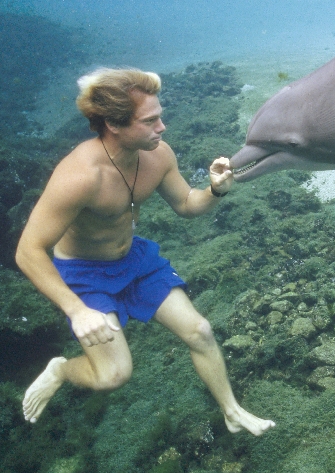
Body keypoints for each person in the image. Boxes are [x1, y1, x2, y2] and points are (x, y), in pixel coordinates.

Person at [16, 67, 274, 436]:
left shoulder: (157, 155)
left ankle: (231, 411)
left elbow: (186, 204)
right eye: (150, 121)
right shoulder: (80, 176)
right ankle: (60, 369)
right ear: (114, 125)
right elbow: (28, 251)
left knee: (199, 330)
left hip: (134, 261)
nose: (163, 127)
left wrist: (216, 190)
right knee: (113, 376)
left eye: (160, 116)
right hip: (85, 276)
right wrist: (76, 310)